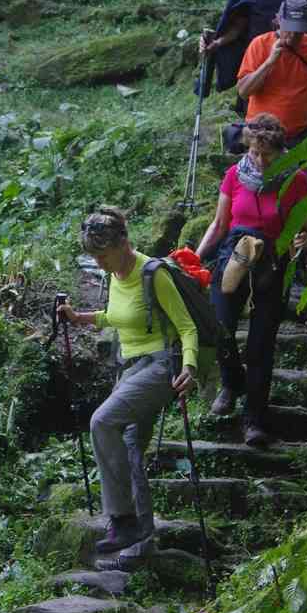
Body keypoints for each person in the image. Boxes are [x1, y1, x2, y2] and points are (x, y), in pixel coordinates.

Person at [58, 207, 197, 554]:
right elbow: (117, 317)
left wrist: (190, 367)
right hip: (132, 368)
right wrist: (80, 317)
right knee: (131, 445)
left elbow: (186, 326)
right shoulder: (115, 276)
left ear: (123, 243)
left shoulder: (153, 273)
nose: (100, 263)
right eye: (95, 256)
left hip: (163, 365)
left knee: (103, 422)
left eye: (103, 255)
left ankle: (121, 519)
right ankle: (141, 537)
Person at [196, 114, 307, 447]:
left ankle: (254, 419)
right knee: (220, 327)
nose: (260, 161)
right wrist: (193, 257)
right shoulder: (234, 174)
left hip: (272, 263)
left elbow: (301, 230)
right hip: (233, 257)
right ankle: (232, 382)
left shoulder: (297, 180)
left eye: (268, 155)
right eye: (255, 153)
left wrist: (303, 243)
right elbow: (219, 225)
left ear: (280, 151)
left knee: (261, 343)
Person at [237, 0, 307, 146]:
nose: (292, 37)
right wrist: (269, 62)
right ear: (278, 20)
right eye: (289, 30)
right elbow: (244, 92)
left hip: (299, 135)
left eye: (298, 32)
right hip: (261, 134)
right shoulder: (259, 44)